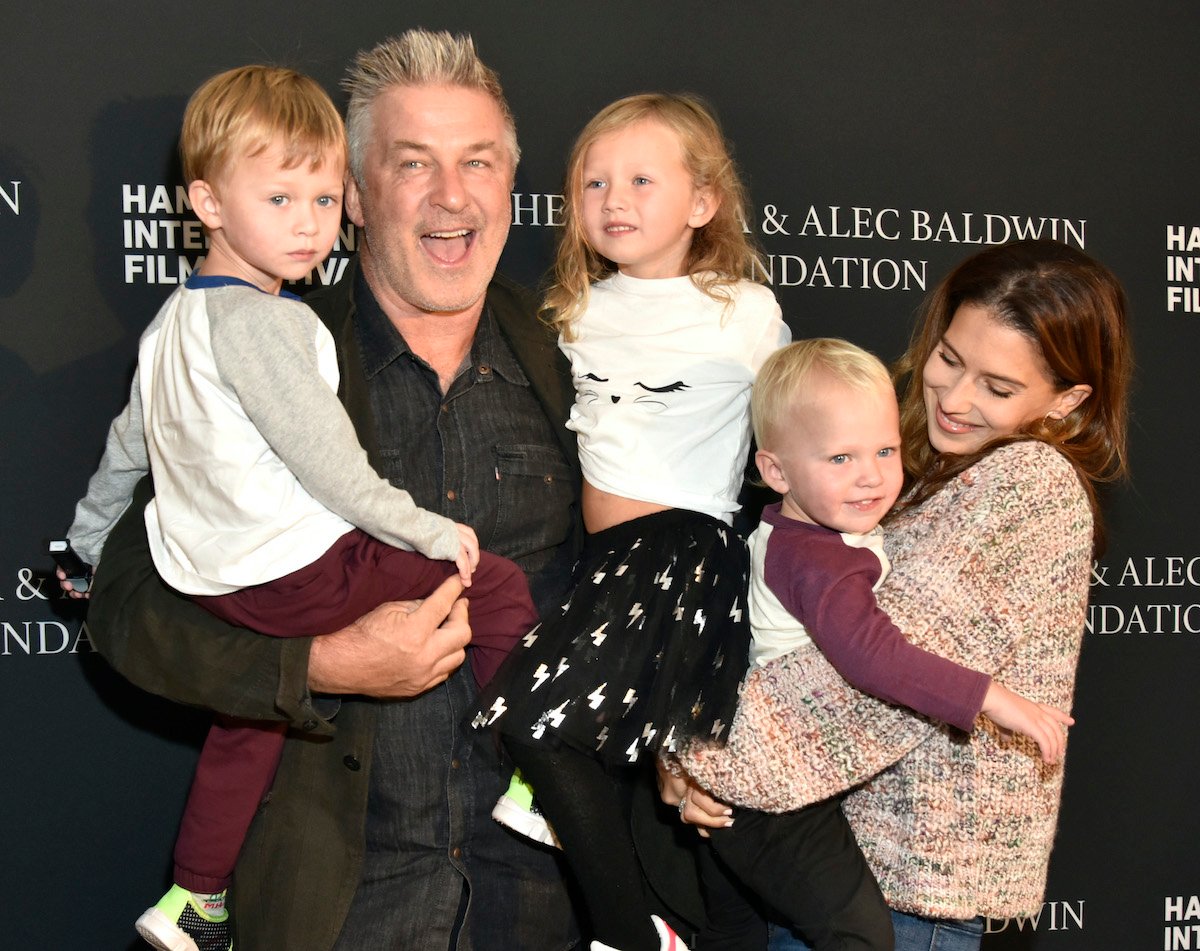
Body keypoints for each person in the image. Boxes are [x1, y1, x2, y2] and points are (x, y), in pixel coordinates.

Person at [79, 30, 583, 951]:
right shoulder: (258, 348)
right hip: (337, 904)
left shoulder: (575, 358)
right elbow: (122, 611)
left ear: (512, 183)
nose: (452, 196)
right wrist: (311, 668)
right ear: (353, 194)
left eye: (478, 162)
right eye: (412, 163)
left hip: (545, 902)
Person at [667, 239, 1131, 951]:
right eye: (949, 357)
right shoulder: (911, 473)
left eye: (998, 387)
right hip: (846, 874)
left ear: (1066, 401)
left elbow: (866, 685)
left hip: (914, 903)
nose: (954, 396)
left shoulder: (1026, 486)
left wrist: (696, 754)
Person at [470, 93, 790, 951]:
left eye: (642, 180)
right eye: (594, 181)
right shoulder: (574, 310)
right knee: (578, 748)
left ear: (702, 201)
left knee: (536, 721)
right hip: (603, 564)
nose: (614, 198)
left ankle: (629, 936)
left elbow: (802, 421)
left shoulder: (741, 311)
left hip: (681, 555)